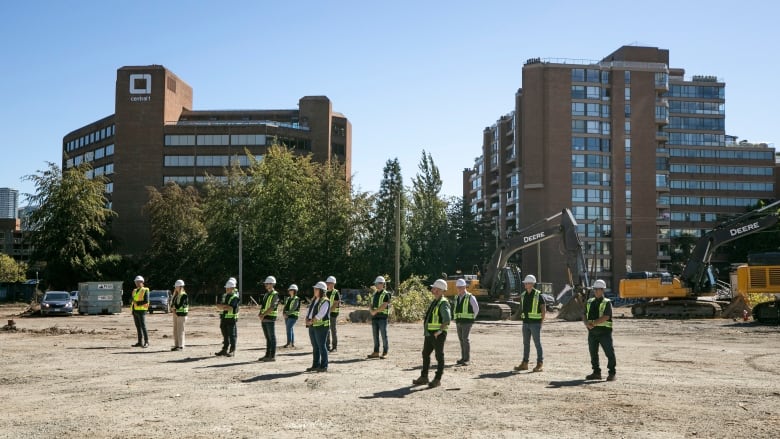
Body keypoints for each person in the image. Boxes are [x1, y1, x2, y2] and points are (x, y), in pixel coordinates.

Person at [413, 279, 451, 388]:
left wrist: (439, 331)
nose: (432, 289)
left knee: (439, 356)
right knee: (425, 354)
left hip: (437, 335)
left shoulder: (443, 303)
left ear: (439, 290)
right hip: (430, 334)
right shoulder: (435, 301)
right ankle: (424, 377)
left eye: (434, 288)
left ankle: (437, 379)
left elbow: (447, 319)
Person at [584, 279, 617, 381]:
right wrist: (586, 323)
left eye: (597, 289)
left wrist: (593, 323)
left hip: (604, 333)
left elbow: (606, 316)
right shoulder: (589, 302)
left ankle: (612, 373)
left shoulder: (607, 302)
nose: (595, 291)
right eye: (595, 289)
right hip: (592, 333)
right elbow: (583, 314)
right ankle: (596, 372)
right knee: (593, 353)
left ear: (602, 290)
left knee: (609, 353)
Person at [514, 274, 545, 372]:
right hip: (526, 323)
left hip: (535, 324)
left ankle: (540, 364)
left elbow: (543, 309)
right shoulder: (523, 295)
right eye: (525, 283)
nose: (525, 284)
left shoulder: (538, 295)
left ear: (531, 284)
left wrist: (541, 322)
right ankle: (525, 363)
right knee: (526, 343)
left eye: (526, 283)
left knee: (537, 344)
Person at [453, 278, 479, 366]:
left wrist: (472, 319)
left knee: (465, 339)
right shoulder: (457, 297)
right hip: (459, 321)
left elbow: (476, 309)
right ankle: (463, 358)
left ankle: (467, 359)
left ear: (464, 287)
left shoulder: (470, 297)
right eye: (458, 287)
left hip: (467, 322)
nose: (459, 289)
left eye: (460, 287)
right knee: (461, 340)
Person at [306, 281, 330, 372]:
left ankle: (324, 366)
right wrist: (306, 318)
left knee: (321, 346)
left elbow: (321, 314)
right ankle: (316, 365)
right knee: (315, 346)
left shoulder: (325, 301)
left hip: (321, 327)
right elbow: (310, 311)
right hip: (313, 326)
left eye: (316, 289)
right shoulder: (314, 299)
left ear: (321, 291)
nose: (314, 290)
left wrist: (311, 321)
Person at [367, 275, 390, 359]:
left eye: (377, 283)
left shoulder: (386, 294)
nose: (376, 285)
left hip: (382, 318)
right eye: (376, 283)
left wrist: (374, 311)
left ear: (382, 284)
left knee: (384, 335)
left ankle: (385, 352)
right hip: (375, 318)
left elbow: (384, 305)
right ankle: (376, 352)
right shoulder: (374, 294)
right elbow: (370, 304)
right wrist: (371, 311)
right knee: (375, 336)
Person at [215, 278, 239, 357]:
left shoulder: (235, 297)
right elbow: (218, 305)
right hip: (224, 317)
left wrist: (223, 306)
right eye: (226, 288)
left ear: (232, 288)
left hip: (231, 318)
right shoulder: (225, 296)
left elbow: (230, 308)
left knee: (232, 335)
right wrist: (224, 306)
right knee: (225, 334)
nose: (226, 289)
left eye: (228, 288)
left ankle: (232, 350)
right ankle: (224, 349)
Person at [258, 275, 280, 362]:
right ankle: (267, 355)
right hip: (264, 318)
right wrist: (260, 314)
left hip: (270, 318)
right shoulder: (266, 294)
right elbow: (263, 306)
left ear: (272, 284)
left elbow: (272, 307)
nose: (265, 285)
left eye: (267, 283)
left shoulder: (275, 294)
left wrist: (263, 314)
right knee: (268, 338)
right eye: (266, 283)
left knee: (272, 337)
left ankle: (272, 356)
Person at [130, 275, 149, 348]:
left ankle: (146, 342)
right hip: (135, 310)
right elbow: (132, 299)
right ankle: (139, 342)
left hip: (142, 310)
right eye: (136, 282)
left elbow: (146, 301)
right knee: (138, 327)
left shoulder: (145, 290)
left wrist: (137, 303)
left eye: (138, 282)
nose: (136, 283)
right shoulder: (135, 290)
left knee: (143, 327)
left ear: (142, 282)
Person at [170, 279, 188, 351]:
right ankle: (176, 345)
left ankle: (181, 346)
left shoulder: (184, 295)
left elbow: (179, 305)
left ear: (181, 287)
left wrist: (174, 308)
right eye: (175, 286)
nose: (176, 288)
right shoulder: (175, 295)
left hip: (181, 314)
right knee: (175, 330)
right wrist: (172, 309)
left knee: (180, 330)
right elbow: (172, 304)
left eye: (177, 286)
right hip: (175, 314)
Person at [325, 276, 340, 352]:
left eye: (330, 283)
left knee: (333, 330)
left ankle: (334, 347)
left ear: (333, 284)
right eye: (327, 283)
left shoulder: (336, 292)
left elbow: (335, 304)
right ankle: (327, 347)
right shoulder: (326, 292)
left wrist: (328, 311)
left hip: (333, 314)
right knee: (327, 330)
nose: (328, 284)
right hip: (326, 314)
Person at [282, 284, 300, 348]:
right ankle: (291, 343)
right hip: (287, 316)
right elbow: (285, 307)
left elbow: (294, 308)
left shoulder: (296, 299)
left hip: (293, 316)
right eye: (289, 290)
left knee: (288, 328)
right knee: (290, 329)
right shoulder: (288, 298)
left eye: (291, 290)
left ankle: (289, 343)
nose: (289, 291)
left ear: (294, 291)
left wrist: (286, 314)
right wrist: (283, 313)